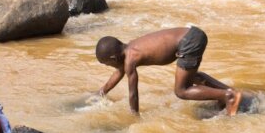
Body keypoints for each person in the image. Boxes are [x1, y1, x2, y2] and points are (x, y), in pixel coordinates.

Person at [95, 26, 242, 116]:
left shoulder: (130, 60)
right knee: (192, 77)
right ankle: (232, 93)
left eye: (107, 64)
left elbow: (133, 93)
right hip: (193, 34)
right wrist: (102, 91)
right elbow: (119, 72)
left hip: (187, 43)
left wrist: (134, 116)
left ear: (114, 58)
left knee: (181, 90)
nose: (110, 67)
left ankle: (228, 96)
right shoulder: (132, 47)